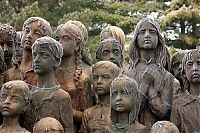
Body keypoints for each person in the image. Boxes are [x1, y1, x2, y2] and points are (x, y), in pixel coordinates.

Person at [125, 18, 174, 128]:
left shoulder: (167, 76)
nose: (147, 35)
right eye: (142, 32)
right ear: (136, 38)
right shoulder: (127, 75)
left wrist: (150, 89)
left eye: (152, 32)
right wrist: (145, 84)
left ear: (158, 39)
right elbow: (129, 114)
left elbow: (164, 113)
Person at [24, 36, 74, 132]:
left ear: (56, 61)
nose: (37, 59)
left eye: (44, 55)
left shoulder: (62, 97)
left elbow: (68, 130)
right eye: (34, 55)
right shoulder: (27, 93)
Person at [55, 22, 93, 132]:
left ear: (77, 44)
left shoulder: (86, 74)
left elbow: (88, 116)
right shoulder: (51, 71)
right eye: (58, 39)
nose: (59, 43)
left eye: (65, 38)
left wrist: (68, 111)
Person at [4, 17, 52, 85]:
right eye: (27, 31)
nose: (29, 35)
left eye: (36, 33)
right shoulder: (9, 72)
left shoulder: (45, 73)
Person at [80, 61, 120, 133]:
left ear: (116, 80)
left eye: (105, 77)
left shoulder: (121, 110)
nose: (99, 81)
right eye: (95, 77)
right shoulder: (88, 113)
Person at [170, 49, 200, 133]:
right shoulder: (178, 104)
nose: (195, 68)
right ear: (184, 72)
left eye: (199, 63)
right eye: (190, 64)